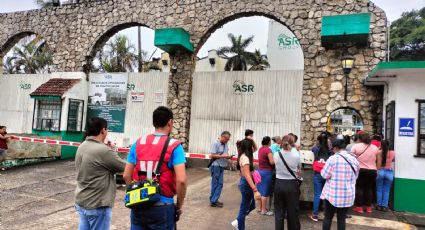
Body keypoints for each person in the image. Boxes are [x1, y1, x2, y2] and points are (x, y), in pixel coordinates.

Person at [123, 106, 187, 230]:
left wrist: (138, 193)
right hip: (163, 207)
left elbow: (126, 175)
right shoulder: (174, 146)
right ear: (170, 122)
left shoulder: (138, 143)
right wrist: (179, 206)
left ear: (154, 122)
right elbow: (182, 180)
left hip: (139, 206)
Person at [74, 117, 126, 230]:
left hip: (82, 201)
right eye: (107, 130)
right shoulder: (103, 151)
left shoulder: (82, 146)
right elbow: (125, 168)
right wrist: (113, 150)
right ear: (103, 130)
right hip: (97, 204)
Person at [321, 139, 359, 230]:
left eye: (333, 148)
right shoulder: (354, 159)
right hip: (347, 195)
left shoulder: (332, 159)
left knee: (328, 218)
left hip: (332, 195)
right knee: (341, 219)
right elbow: (356, 176)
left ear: (336, 148)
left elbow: (324, 175)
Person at [231, 139, 261, 230]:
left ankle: (238, 221)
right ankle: (240, 226)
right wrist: (255, 190)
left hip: (245, 183)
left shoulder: (243, 154)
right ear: (248, 147)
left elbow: (256, 148)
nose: (253, 148)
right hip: (246, 184)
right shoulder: (245, 158)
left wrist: (252, 139)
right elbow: (247, 175)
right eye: (251, 145)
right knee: (244, 208)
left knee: (251, 206)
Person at [274, 135, 301, 230]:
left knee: (279, 213)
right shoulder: (296, 155)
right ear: (293, 144)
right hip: (291, 185)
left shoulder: (276, 154)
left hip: (279, 184)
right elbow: (299, 170)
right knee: (292, 212)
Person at [350, 132, 379, 214]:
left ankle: (359, 207)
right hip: (372, 171)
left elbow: (351, 159)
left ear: (360, 138)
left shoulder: (355, 146)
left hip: (360, 170)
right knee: (369, 188)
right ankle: (368, 207)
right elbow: (377, 159)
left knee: (359, 188)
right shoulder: (375, 148)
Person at [310, 132, 332, 222]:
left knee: (317, 194)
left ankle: (315, 215)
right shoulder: (330, 150)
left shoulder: (315, 148)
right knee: (326, 194)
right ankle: (326, 213)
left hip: (318, 173)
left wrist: (317, 143)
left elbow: (311, 151)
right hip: (327, 173)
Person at [209, 131, 232, 207]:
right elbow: (212, 155)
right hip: (216, 165)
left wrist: (228, 157)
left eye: (228, 139)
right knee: (215, 184)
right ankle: (213, 201)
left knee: (220, 184)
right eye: (226, 139)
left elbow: (226, 153)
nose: (227, 141)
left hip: (222, 165)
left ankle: (214, 199)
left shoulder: (226, 144)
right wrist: (224, 156)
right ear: (222, 137)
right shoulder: (215, 143)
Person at [257, 136, 274, 216]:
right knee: (265, 192)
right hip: (267, 172)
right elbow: (271, 162)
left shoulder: (260, 149)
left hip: (260, 171)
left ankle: (260, 208)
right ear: (268, 142)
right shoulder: (268, 150)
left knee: (260, 191)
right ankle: (264, 210)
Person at [376, 140, 395, 212]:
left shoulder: (379, 152)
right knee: (386, 190)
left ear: (381, 145)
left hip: (381, 171)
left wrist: (378, 171)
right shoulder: (392, 152)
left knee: (379, 189)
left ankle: (378, 205)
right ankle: (384, 206)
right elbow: (392, 160)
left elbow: (378, 163)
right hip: (389, 172)